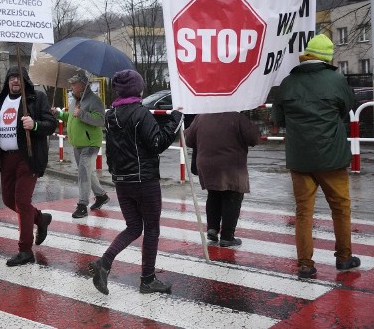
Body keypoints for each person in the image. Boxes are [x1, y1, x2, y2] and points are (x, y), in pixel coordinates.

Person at [272, 34, 361, 279]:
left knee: (303, 212)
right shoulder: (336, 79)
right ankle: (344, 258)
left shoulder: (287, 83)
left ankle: (305, 265)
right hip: (332, 158)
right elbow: (347, 108)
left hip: (300, 159)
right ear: (326, 58)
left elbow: (278, 120)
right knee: (340, 208)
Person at [89, 69, 182, 295]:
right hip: (144, 181)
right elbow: (157, 142)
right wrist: (176, 119)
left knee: (133, 227)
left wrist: (116, 173)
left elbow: (110, 151)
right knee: (151, 229)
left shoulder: (111, 116)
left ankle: (105, 262)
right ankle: (148, 280)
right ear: (136, 89)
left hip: (122, 182)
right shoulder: (140, 114)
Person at [0, 66, 57, 266]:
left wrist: (34, 125)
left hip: (28, 157)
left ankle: (25, 250)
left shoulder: (37, 98)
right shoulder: (1, 101)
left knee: (22, 202)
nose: (15, 81)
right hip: (5, 158)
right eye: (11, 77)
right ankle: (40, 219)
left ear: (25, 80)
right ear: (7, 81)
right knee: (9, 200)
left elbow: (50, 124)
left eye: (18, 77)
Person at [185, 112, 260, 247]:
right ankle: (227, 236)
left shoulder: (201, 117)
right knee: (232, 195)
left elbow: (188, 139)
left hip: (206, 164)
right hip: (231, 166)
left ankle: (212, 228)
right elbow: (254, 138)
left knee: (213, 193)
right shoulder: (236, 117)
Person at [52, 71, 109, 218]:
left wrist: (82, 114)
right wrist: (59, 114)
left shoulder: (95, 100)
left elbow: (100, 120)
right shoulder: (75, 100)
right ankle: (101, 196)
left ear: (83, 85)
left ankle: (82, 205)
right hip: (77, 144)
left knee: (83, 173)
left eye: (74, 83)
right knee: (87, 172)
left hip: (90, 144)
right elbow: (71, 117)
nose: (71, 86)